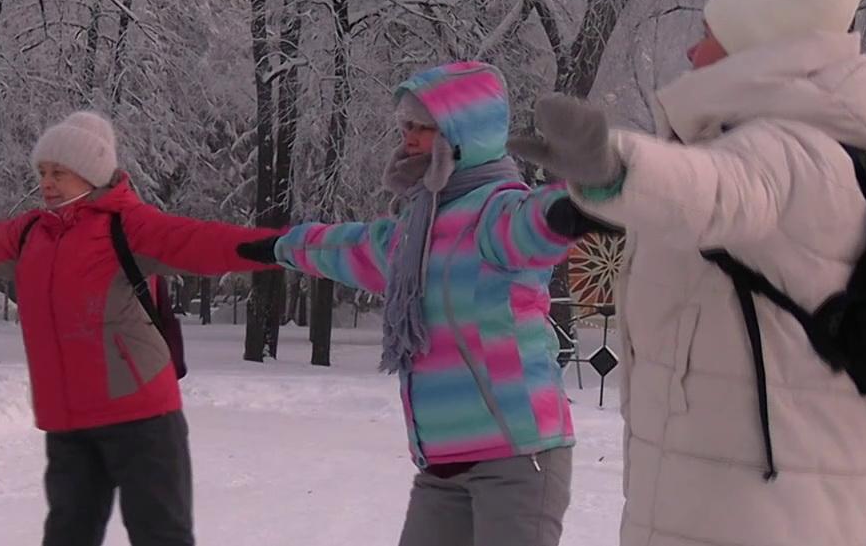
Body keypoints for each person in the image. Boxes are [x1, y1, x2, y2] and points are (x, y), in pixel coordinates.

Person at [509, 0, 866, 546]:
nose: (693, 47)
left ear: (754, 49)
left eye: (709, 33)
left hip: (760, 509)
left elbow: (711, 190)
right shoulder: (795, 148)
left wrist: (614, 168)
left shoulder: (788, 151)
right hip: (735, 493)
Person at [238, 61, 604, 546]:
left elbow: (533, 225)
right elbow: (350, 247)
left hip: (517, 455)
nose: (407, 138)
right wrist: (280, 246)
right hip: (442, 465)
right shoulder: (414, 232)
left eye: (420, 127)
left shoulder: (497, 212)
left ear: (461, 134)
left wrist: (573, 207)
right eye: (403, 125)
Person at [0, 110, 280, 546]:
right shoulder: (32, 234)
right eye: (42, 172)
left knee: (161, 535)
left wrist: (283, 246)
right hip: (68, 423)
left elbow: (204, 241)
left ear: (90, 175)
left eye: (59, 173)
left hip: (141, 417)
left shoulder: (127, 224)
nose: (46, 182)